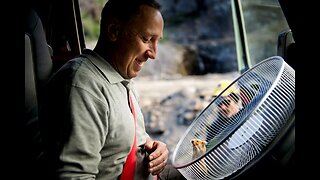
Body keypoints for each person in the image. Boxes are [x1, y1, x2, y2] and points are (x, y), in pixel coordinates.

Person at [41, 0, 169, 179]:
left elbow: (122, 140)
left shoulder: (120, 79)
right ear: (114, 31)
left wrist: (152, 146)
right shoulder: (83, 86)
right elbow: (75, 176)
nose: (153, 54)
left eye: (157, 41)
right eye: (146, 39)